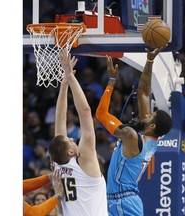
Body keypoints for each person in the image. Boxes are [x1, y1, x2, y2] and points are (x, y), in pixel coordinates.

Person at [95, 46, 172, 216]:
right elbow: (143, 92)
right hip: (118, 199)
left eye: (150, 115)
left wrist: (111, 82)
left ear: (152, 125)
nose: (146, 114)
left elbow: (101, 115)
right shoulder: (147, 136)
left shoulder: (131, 136)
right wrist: (150, 60)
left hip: (123, 201)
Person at [48, 50, 108, 216]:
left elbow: (60, 119)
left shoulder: (59, 164)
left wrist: (65, 82)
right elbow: (85, 111)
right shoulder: (85, 161)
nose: (72, 138)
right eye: (70, 140)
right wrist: (69, 77)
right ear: (70, 151)